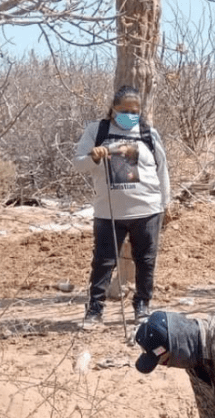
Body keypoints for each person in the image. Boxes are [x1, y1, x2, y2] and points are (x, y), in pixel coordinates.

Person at [74, 85, 170, 326]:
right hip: (109, 212)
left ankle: (142, 306)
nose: (129, 114)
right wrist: (93, 157)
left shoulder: (148, 133)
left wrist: (166, 203)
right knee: (103, 261)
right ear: (113, 109)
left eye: (134, 110)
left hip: (147, 209)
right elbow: (78, 164)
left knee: (146, 260)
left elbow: (162, 169)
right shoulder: (97, 131)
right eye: (124, 110)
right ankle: (95, 310)